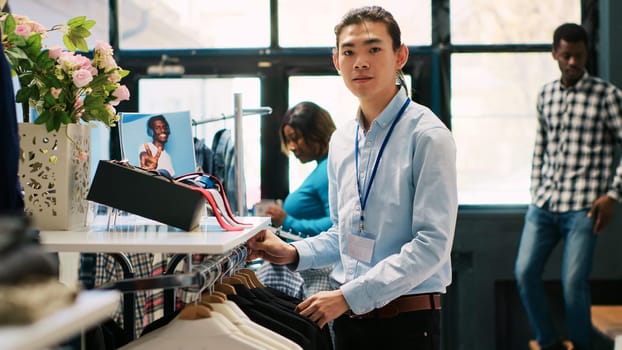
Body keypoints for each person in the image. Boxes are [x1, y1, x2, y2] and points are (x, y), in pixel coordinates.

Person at [247, 6, 458, 349]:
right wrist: (291, 252)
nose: (360, 62)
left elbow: (431, 245)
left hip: (405, 323)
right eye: (349, 52)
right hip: (346, 324)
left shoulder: (429, 136)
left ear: (400, 55)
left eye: (374, 49)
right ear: (337, 62)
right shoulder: (342, 140)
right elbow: (341, 235)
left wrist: (347, 296)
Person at [514, 23, 622, 350]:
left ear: (586, 54)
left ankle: (581, 344)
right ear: (555, 55)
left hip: (583, 207)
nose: (573, 62)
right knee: (524, 273)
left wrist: (614, 195)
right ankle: (548, 343)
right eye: (566, 56)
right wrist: (535, 188)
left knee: (573, 282)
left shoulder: (607, 96)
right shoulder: (545, 95)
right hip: (544, 205)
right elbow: (541, 146)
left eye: (578, 55)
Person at [257, 101, 336, 299]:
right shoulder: (322, 168)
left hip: (319, 272)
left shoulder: (328, 170)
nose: (291, 147)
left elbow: (336, 225)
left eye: (296, 138)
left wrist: (287, 221)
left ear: (316, 133)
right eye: (288, 140)